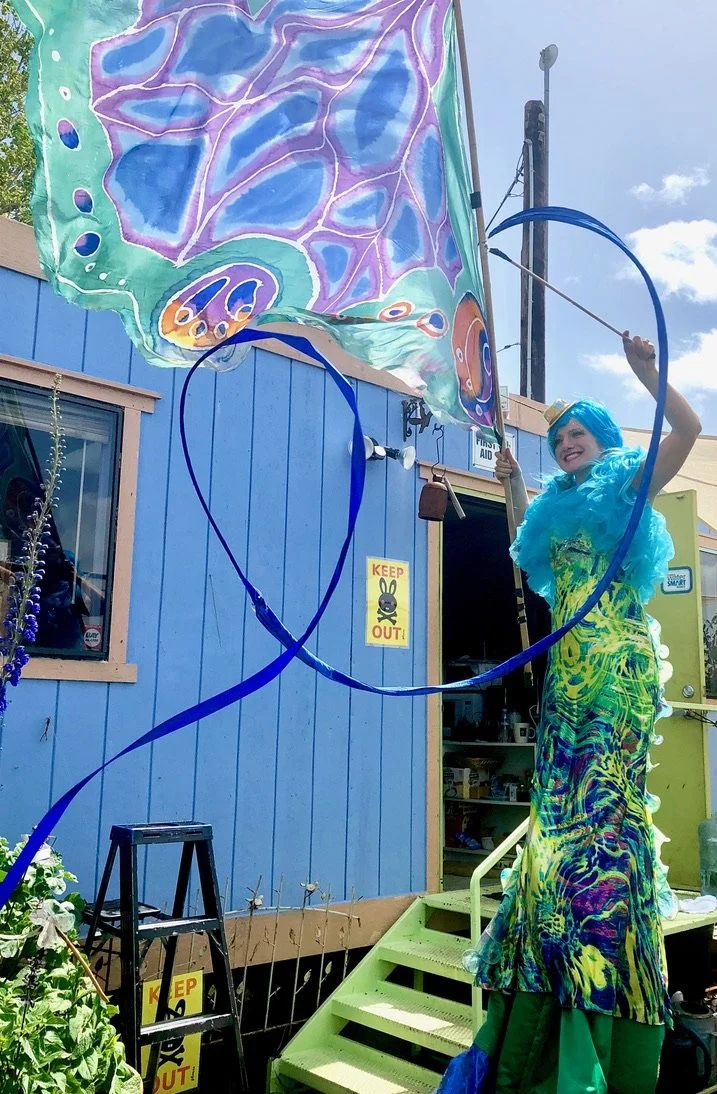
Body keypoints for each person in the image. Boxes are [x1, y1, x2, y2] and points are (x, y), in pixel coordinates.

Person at [437, 333, 702, 1094]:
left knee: (604, 796)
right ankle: (555, 908)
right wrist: (515, 482)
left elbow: (683, 433)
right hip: (568, 671)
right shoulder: (556, 508)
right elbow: (529, 553)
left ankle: (602, 917)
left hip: (616, 665)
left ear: (604, 437)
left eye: (577, 430)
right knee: (558, 803)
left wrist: (647, 375)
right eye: (557, 439)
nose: (566, 441)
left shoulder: (625, 487)